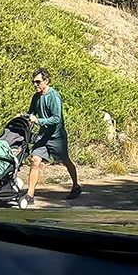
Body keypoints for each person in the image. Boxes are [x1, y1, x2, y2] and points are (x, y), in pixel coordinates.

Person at [21, 68, 81, 207]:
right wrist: (23, 116)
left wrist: (39, 121)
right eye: (33, 82)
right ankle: (30, 194)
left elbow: (56, 119)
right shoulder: (36, 97)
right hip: (43, 136)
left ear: (46, 81)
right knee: (35, 160)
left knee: (65, 161)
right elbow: (31, 113)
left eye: (38, 82)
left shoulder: (54, 96)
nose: (35, 85)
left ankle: (76, 186)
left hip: (57, 137)